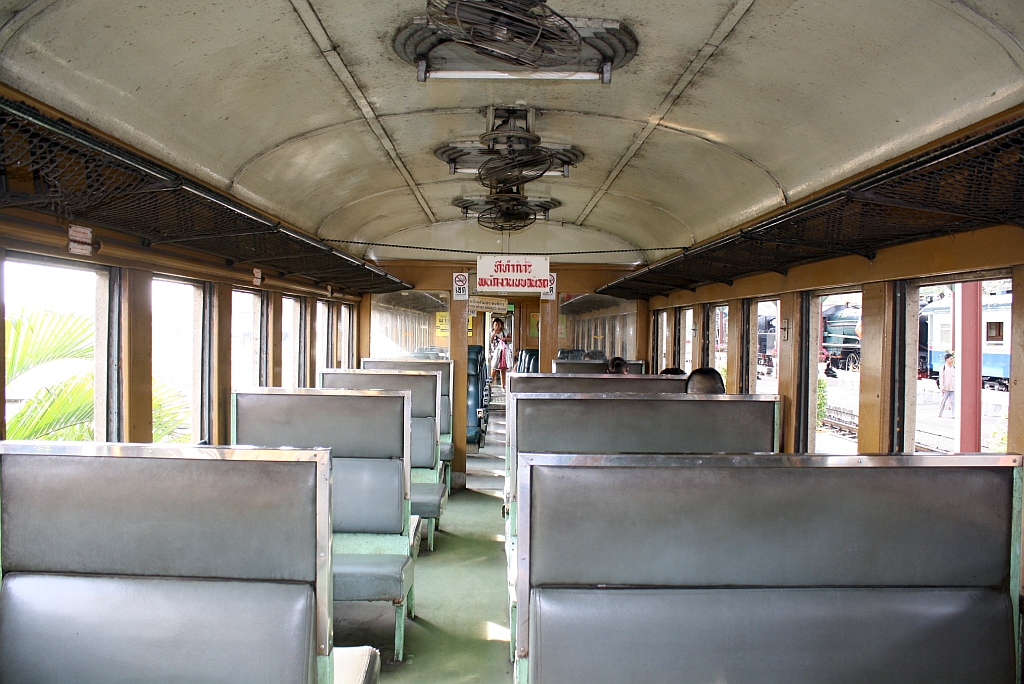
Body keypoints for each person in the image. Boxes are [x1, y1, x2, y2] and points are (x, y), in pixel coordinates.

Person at [489, 317, 511, 390]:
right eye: (496, 325)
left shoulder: (505, 331)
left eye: (499, 324)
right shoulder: (492, 332)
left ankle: (503, 386)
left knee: (503, 369)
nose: (497, 326)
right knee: (494, 369)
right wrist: (494, 333)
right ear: (493, 325)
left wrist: (505, 339)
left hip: (504, 352)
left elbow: (511, 338)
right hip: (495, 353)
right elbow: (491, 340)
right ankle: (489, 385)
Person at [938, 352, 956, 417]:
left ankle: (953, 414)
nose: (952, 360)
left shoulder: (954, 368)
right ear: (946, 360)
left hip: (953, 387)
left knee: (953, 402)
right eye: (951, 358)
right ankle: (940, 413)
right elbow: (941, 378)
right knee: (943, 401)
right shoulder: (943, 368)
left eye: (952, 358)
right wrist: (942, 387)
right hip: (946, 388)